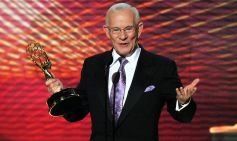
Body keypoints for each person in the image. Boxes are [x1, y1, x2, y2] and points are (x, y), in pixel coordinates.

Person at [46, 3, 199, 141]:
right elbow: (76, 114)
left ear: (139, 29)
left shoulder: (161, 67)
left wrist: (183, 102)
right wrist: (60, 94)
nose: (122, 36)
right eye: (116, 30)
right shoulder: (93, 65)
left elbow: (184, 117)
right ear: (107, 32)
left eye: (128, 29)